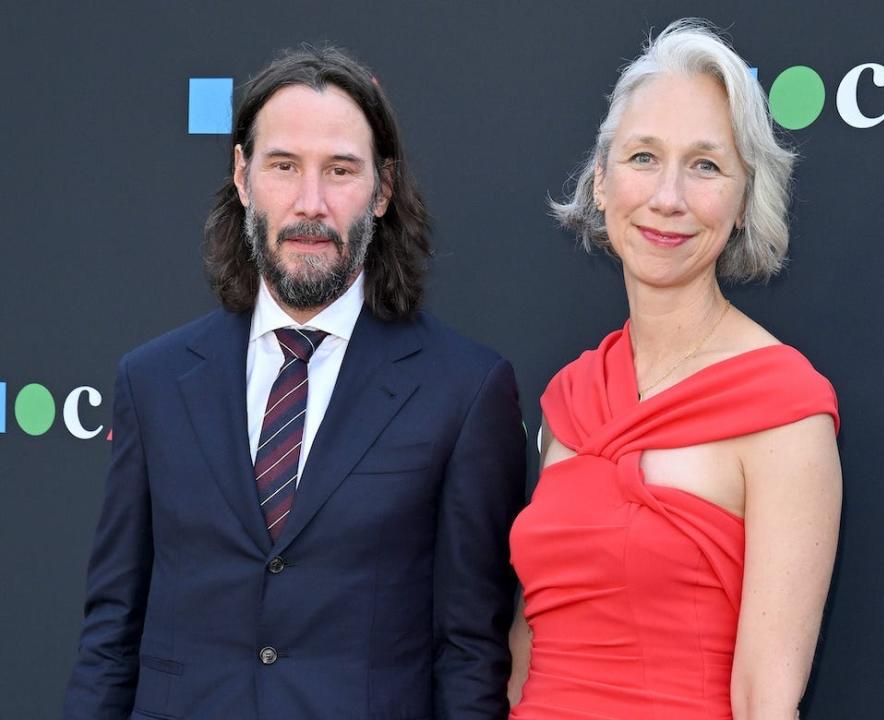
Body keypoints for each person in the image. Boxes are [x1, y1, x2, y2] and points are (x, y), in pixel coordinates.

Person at [63, 45, 526, 720]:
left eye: (340, 170)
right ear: (243, 176)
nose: (311, 203)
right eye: (284, 167)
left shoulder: (464, 392)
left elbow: (469, 655)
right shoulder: (153, 383)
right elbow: (111, 632)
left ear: (383, 189)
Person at [508, 20, 842, 720]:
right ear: (600, 183)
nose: (668, 198)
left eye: (706, 166)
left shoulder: (783, 409)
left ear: (745, 199)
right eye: (642, 158)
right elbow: (528, 649)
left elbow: (764, 702)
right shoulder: (569, 399)